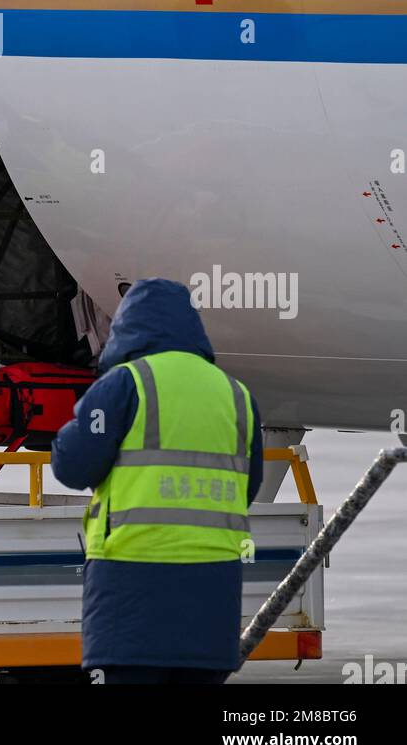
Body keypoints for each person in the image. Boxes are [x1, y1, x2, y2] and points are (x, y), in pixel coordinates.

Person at [52, 278, 263, 684]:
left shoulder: (124, 384)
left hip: (131, 583)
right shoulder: (236, 394)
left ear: (126, 329)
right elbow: (247, 487)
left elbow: (72, 467)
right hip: (213, 587)